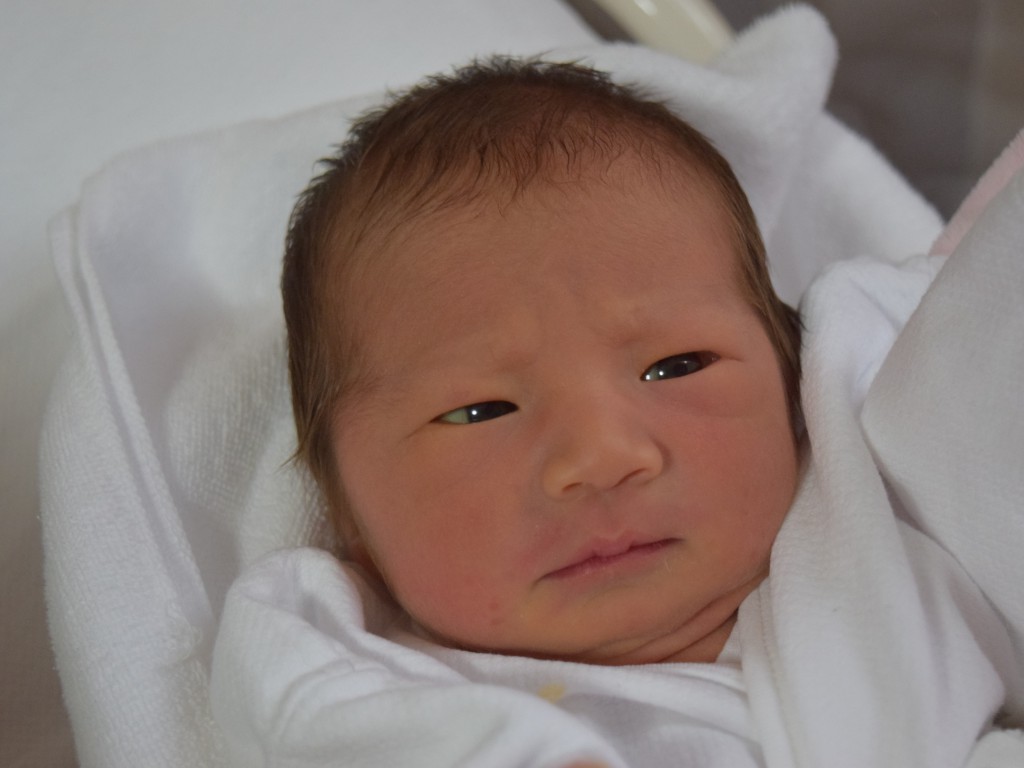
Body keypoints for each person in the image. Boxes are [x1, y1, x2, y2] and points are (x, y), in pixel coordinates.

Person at [210, 55, 1022, 767]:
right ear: (344, 508)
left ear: (790, 373)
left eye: (677, 367)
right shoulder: (355, 663)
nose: (602, 455)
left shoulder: (874, 505)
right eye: (481, 410)